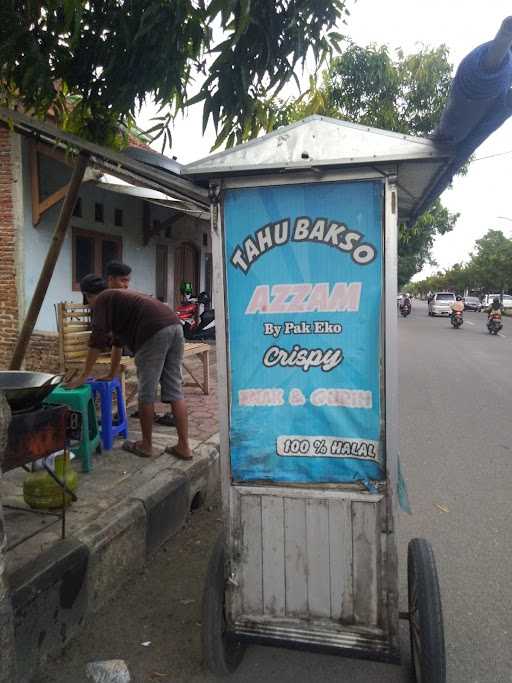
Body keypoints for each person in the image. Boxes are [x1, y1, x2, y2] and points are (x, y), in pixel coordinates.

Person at [67, 274, 192, 460]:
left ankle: (146, 446)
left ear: (87, 295)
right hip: (174, 325)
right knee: (175, 388)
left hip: (152, 331)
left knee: (146, 392)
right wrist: (111, 373)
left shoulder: (101, 300)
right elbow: (117, 343)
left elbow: (97, 340)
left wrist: (83, 375)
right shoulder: (119, 300)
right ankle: (184, 447)